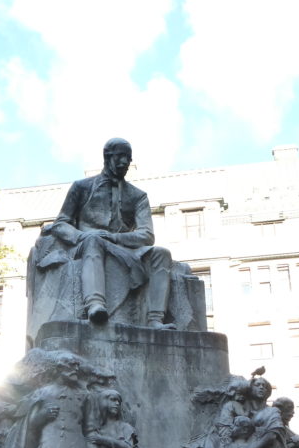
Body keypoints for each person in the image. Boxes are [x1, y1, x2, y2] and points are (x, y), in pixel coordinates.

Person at [27, 137, 194, 336]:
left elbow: (146, 234)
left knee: (161, 253)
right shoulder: (81, 187)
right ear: (107, 157)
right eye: (120, 156)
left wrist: (115, 238)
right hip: (84, 243)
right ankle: (95, 305)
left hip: (121, 245)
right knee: (94, 240)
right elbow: (61, 222)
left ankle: (155, 319)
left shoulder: (137, 195)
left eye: (128, 158)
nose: (124, 162)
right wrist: (81, 236)